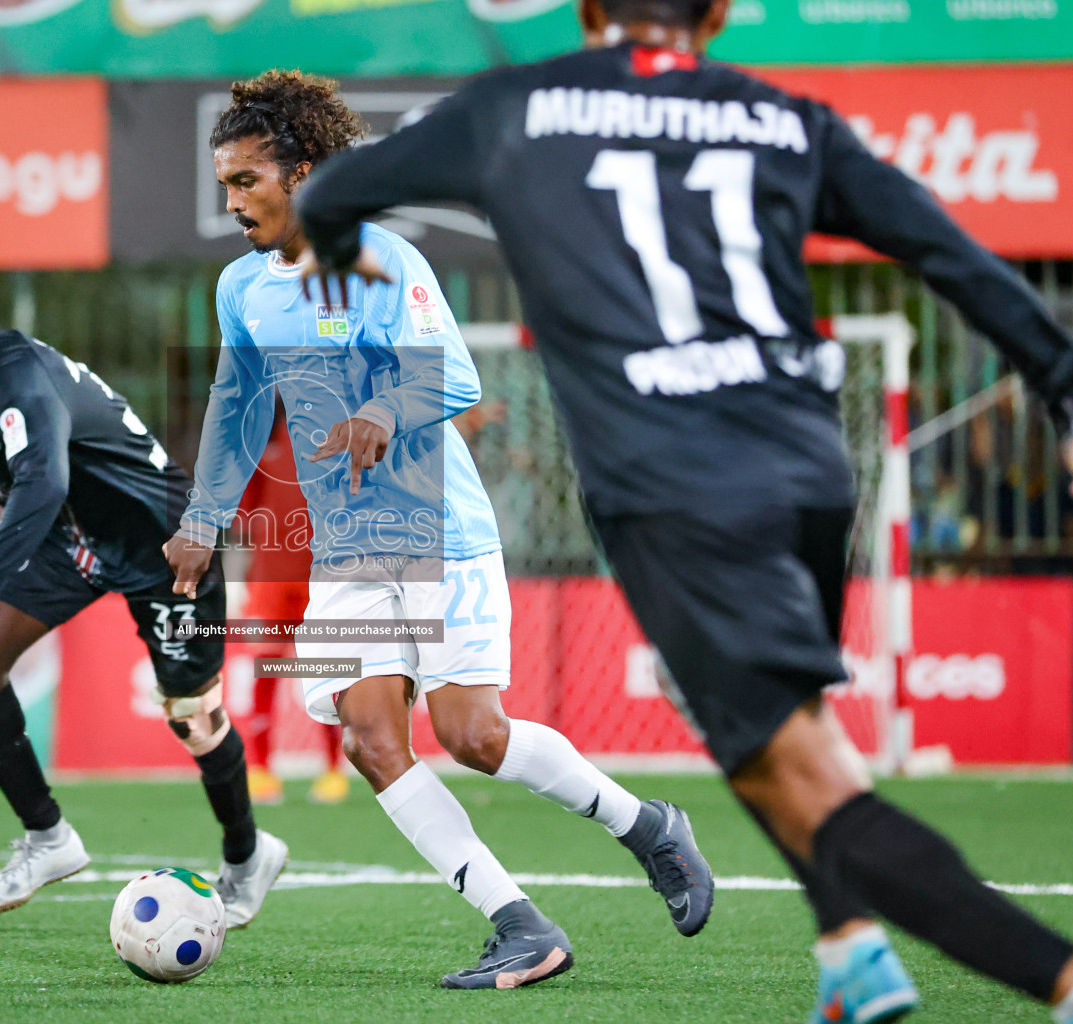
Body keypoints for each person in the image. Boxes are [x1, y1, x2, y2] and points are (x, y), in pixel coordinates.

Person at [295, 1, 1073, 1020]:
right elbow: (952, 254)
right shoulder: (787, 118)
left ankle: (1052, 976)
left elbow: (341, 188)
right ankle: (850, 950)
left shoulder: (518, 109)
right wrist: (1060, 384)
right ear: (715, 13)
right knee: (785, 733)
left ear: (585, 12)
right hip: (808, 469)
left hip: (676, 486)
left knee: (799, 771)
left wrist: (334, 240)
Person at [164, 70, 713, 991]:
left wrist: (381, 412)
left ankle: (647, 825)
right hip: (346, 549)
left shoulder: (383, 259)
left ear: (302, 174)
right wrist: (202, 518)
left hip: (433, 528)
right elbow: (234, 405)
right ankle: (520, 925)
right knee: (370, 735)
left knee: (474, 736)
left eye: (246, 181)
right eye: (224, 184)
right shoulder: (242, 288)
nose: (232, 203)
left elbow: (455, 377)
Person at [0, 261, 286, 923]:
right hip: (82, 543)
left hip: (165, 546)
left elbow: (42, 488)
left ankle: (247, 854)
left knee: (194, 717)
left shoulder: (21, 382)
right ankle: (48, 838)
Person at [233, 405, 349, 806]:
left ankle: (335, 769)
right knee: (266, 670)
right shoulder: (264, 455)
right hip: (270, 582)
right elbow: (244, 518)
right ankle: (260, 769)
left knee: (327, 673)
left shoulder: (339, 449)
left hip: (321, 580)